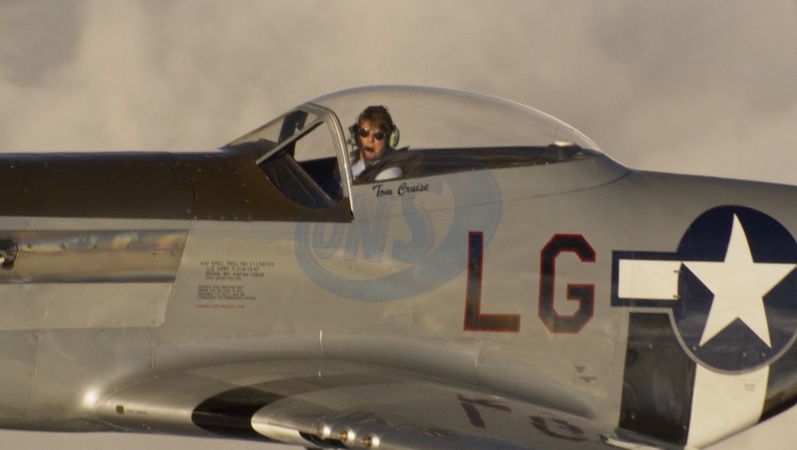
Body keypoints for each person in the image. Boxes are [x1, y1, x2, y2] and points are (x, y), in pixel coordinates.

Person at [350, 106, 403, 182]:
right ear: (356, 136)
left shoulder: (389, 174)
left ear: (388, 140)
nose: (370, 139)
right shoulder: (349, 166)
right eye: (364, 132)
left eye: (378, 135)